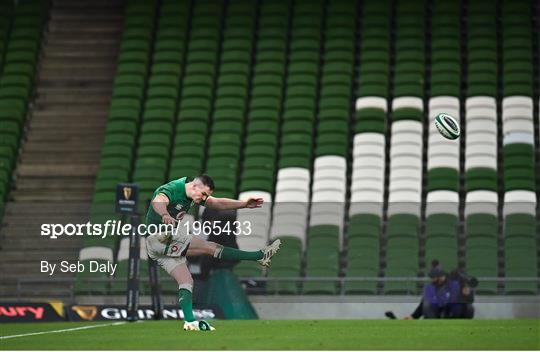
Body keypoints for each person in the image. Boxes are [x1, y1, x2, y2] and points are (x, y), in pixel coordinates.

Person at [145, 175, 281, 331]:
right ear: (195, 185)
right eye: (203, 194)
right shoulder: (174, 188)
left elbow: (216, 203)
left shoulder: (193, 194)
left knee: (186, 281)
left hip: (160, 248)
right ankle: (258, 256)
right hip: (159, 238)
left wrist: (243, 204)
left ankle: (190, 322)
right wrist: (164, 214)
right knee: (209, 246)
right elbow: (159, 200)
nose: (203, 199)